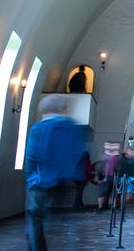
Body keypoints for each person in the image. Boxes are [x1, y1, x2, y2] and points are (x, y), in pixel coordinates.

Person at [24, 95, 84, 251]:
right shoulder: (71, 127)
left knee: (35, 222)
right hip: (64, 182)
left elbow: (31, 156)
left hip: (41, 181)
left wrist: (31, 179)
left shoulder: (39, 128)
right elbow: (77, 153)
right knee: (58, 221)